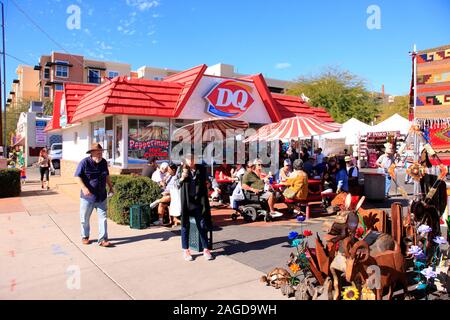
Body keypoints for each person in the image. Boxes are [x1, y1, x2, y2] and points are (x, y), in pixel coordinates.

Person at [74, 143, 113, 247]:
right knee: (85, 219)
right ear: (92, 153)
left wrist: (110, 186)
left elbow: (107, 175)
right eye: (98, 153)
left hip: (101, 196)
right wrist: (84, 188)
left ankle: (103, 239)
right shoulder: (84, 163)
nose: (100, 155)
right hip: (88, 197)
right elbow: (77, 177)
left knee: (103, 218)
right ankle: (85, 236)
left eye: (101, 153)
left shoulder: (103, 162)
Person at [176, 154, 213, 261]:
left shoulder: (201, 169)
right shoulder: (181, 169)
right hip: (187, 201)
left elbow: (209, 180)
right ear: (185, 160)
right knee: (185, 225)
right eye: (189, 159)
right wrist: (182, 177)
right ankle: (186, 250)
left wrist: (210, 185)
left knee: (201, 224)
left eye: (193, 159)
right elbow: (175, 184)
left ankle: (206, 249)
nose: (191, 161)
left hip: (199, 202)